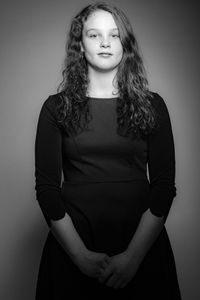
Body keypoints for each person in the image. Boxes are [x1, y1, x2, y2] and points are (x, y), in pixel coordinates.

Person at [34, 2, 182, 299]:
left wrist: (133, 258)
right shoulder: (55, 108)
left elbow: (164, 187)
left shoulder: (153, 106)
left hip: (142, 250)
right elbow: (48, 191)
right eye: (94, 35)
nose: (104, 43)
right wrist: (81, 257)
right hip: (73, 251)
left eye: (114, 35)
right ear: (80, 44)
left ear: (125, 44)